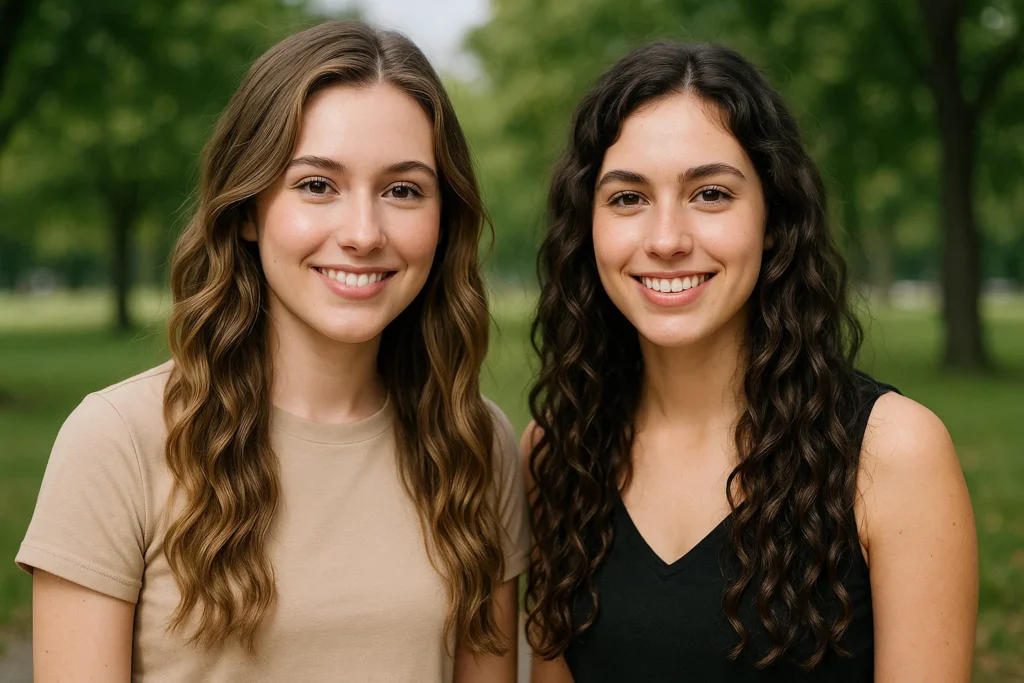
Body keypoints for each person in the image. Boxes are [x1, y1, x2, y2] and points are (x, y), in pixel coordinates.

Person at [18, 20, 527, 683]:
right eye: (318, 184)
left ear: (443, 217)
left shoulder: (475, 444)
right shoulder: (116, 441)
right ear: (250, 208)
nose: (363, 232)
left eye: (403, 190)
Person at [522, 41, 977, 682]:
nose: (667, 240)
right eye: (628, 198)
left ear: (774, 219)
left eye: (710, 194)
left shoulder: (892, 452)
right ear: (587, 225)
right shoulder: (555, 454)